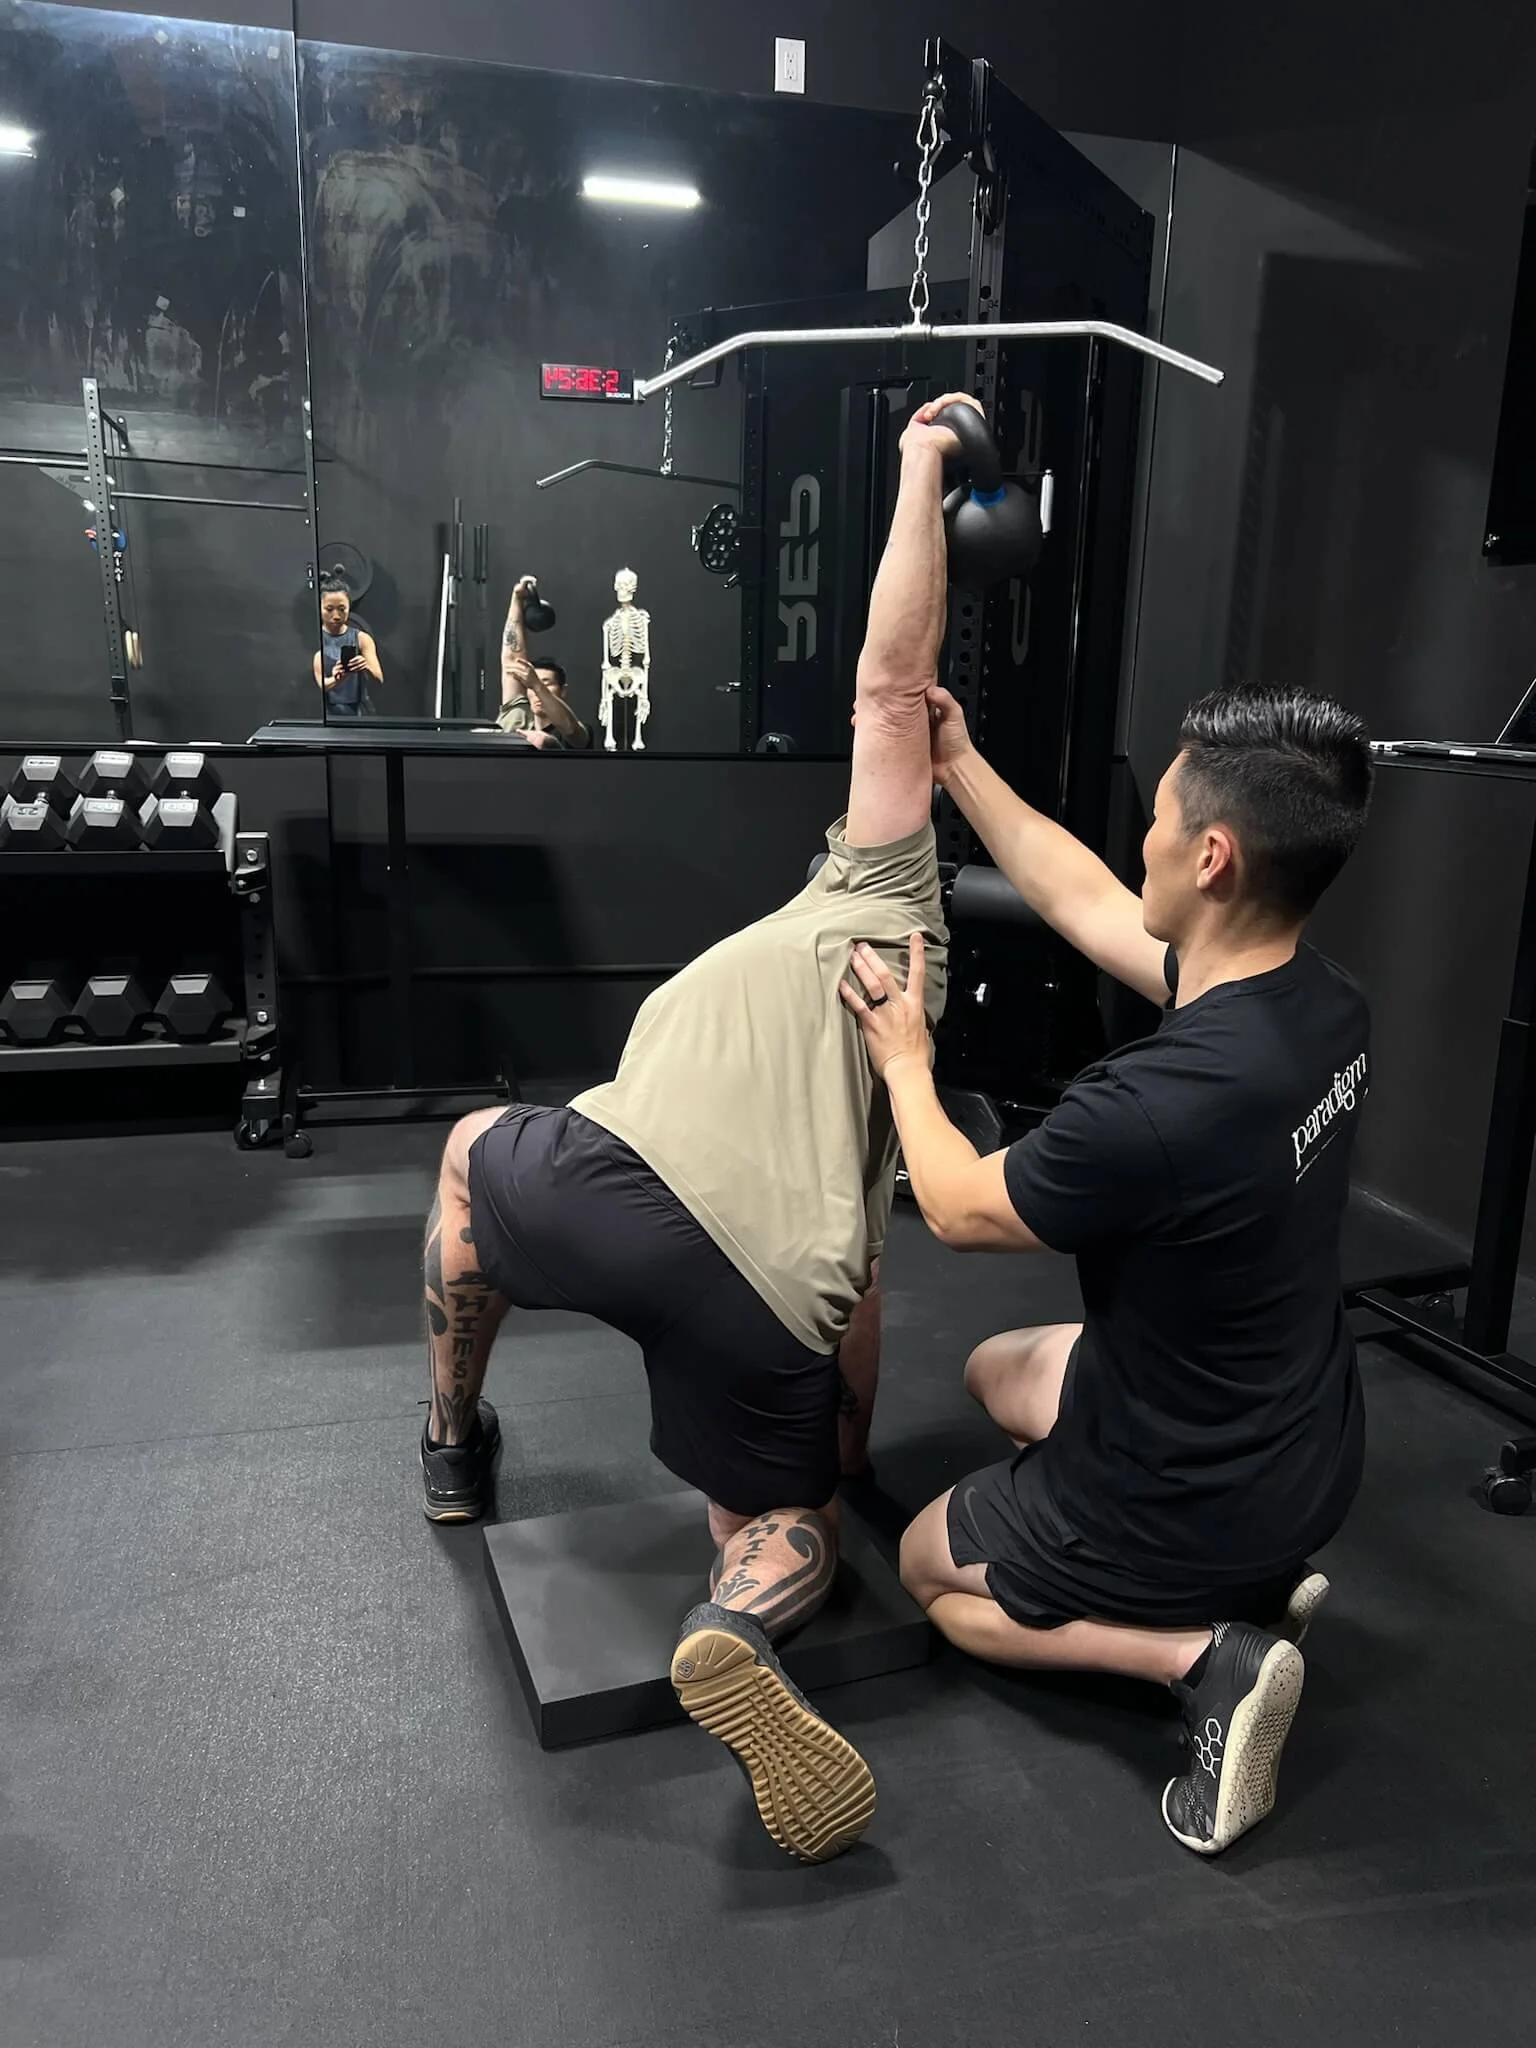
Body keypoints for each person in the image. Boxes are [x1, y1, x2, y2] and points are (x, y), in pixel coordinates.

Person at [417, 397, 978, 1862]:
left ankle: (449, 1437)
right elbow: (862, 1285)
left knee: (473, 1151)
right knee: (776, 1523)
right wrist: (831, 1463)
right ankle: (737, 1614)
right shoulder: (888, 1021)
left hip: (594, 1196)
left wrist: (923, 462)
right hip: (765, 1294)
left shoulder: (875, 890)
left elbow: (892, 678)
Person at [841, 680, 1373, 1858]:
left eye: (1163, 819)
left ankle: (1204, 1657)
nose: (1144, 841)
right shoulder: (1324, 1005)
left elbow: (960, 1205)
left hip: (1193, 1485)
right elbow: (1086, 896)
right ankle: (1238, 1581)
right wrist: (959, 764)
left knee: (936, 1571)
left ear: (1215, 858)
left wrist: (907, 1063)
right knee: (993, 1370)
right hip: (1308, 1444)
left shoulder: (1151, 1107)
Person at [495, 576, 592, 747]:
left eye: (547, 684)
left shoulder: (576, 732)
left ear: (563, 691)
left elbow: (571, 730)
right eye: (531, 687)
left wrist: (537, 684)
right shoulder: (518, 717)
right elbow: (511, 658)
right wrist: (517, 599)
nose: (536, 691)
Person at [313, 577, 382, 717]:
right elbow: (322, 685)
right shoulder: (314, 638)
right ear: (320, 607)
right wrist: (337, 679)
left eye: (342, 609)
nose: (336, 615)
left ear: (349, 606)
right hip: (329, 713)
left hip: (360, 711)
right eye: (329, 609)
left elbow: (379, 678)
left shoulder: (362, 639)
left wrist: (365, 666)